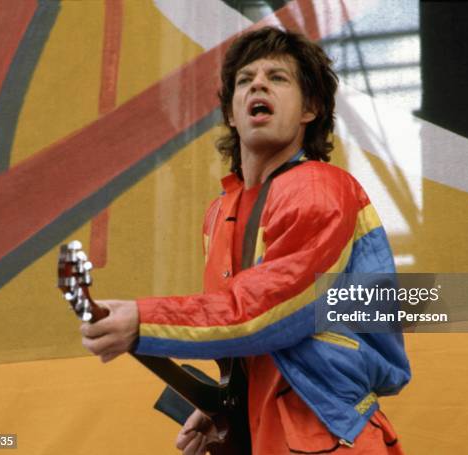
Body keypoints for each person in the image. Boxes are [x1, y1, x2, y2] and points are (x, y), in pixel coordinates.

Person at [81, 26, 411, 454]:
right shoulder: (220, 212)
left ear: (310, 109)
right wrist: (228, 403)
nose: (258, 83)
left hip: (328, 434)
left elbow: (264, 312)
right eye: (245, 79)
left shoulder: (319, 188)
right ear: (232, 115)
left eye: (278, 77)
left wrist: (143, 320)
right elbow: (250, 339)